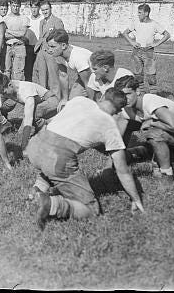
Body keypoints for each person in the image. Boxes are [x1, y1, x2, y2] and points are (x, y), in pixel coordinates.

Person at [25, 89, 145, 230]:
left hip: (35, 145)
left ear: (101, 97)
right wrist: (136, 198)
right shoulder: (109, 126)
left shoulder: (79, 100)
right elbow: (122, 170)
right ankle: (52, 204)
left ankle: (35, 193)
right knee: (92, 210)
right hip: (56, 158)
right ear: (119, 111)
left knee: (50, 165)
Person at [113, 75, 174, 185]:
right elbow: (118, 138)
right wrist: (115, 159)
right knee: (132, 155)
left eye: (128, 94)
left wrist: (152, 122)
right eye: (122, 95)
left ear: (138, 91)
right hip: (170, 134)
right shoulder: (126, 109)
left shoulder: (150, 101)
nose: (125, 99)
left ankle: (166, 174)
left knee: (153, 134)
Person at [121, 3, 170, 94]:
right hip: (137, 51)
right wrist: (132, 42)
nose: (138, 14)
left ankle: (153, 96)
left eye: (140, 12)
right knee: (138, 75)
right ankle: (141, 95)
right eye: (138, 12)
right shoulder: (136, 23)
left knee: (151, 76)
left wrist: (156, 44)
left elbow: (167, 35)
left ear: (146, 13)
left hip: (148, 52)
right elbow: (125, 33)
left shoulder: (154, 24)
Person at [44, 29, 92, 112]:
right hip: (83, 77)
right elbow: (63, 75)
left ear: (63, 46)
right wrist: (64, 99)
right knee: (71, 101)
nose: (50, 50)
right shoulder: (58, 54)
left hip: (96, 77)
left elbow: (88, 83)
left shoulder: (78, 58)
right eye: (49, 46)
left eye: (53, 47)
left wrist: (92, 101)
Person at [0, 79, 59, 145]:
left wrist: (24, 143)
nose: (4, 95)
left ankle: (49, 128)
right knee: (20, 133)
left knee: (32, 116)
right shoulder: (9, 87)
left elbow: (28, 118)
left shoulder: (26, 93)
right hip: (38, 106)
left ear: (10, 85)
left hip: (51, 102)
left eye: (4, 93)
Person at [32, 1, 64, 98]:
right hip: (42, 51)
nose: (45, 12)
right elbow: (41, 37)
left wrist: (55, 50)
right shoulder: (42, 22)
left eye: (46, 9)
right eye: (43, 10)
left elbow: (61, 37)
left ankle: (57, 96)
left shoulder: (57, 21)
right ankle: (43, 95)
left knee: (53, 75)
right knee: (42, 75)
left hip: (51, 52)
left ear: (51, 9)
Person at [3, 0, 31, 80]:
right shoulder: (5, 19)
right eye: (13, 5)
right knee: (7, 70)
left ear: (20, 7)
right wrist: (16, 34)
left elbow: (22, 33)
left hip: (20, 46)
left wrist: (8, 31)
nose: (15, 8)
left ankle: (18, 91)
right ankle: (6, 90)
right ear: (10, 6)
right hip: (8, 46)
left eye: (17, 6)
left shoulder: (24, 18)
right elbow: (4, 35)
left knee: (18, 71)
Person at [24, 0, 43, 81]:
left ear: (39, 8)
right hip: (29, 46)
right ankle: (29, 83)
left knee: (40, 68)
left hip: (40, 46)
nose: (34, 9)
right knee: (28, 68)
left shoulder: (42, 18)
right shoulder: (27, 19)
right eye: (32, 7)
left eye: (36, 7)